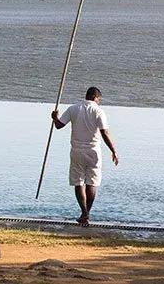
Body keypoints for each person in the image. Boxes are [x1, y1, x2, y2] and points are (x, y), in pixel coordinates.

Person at [50, 86, 118, 226]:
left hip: (76, 151)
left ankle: (84, 212)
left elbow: (58, 126)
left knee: (78, 182)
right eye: (99, 99)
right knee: (92, 182)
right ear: (95, 97)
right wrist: (113, 150)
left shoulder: (73, 108)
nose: (99, 102)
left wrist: (54, 118)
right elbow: (104, 133)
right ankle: (86, 214)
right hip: (93, 151)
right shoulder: (98, 111)